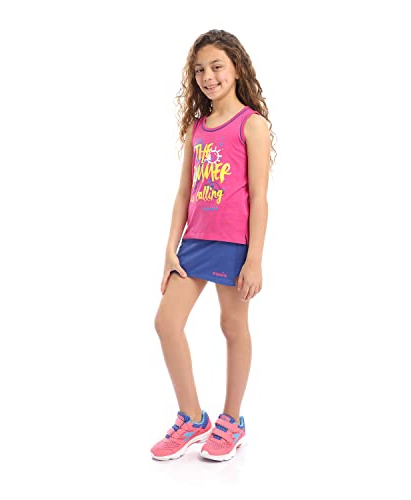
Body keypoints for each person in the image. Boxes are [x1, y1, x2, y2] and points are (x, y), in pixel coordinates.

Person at [150, 29, 275, 462]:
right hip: (194, 242)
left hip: (234, 244)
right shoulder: (197, 129)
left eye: (217, 66)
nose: (208, 76)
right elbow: (183, 193)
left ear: (236, 68)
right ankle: (192, 418)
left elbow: (259, 197)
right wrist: (170, 249)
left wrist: (254, 259)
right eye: (200, 70)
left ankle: (232, 420)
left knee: (232, 326)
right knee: (167, 322)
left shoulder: (252, 125)